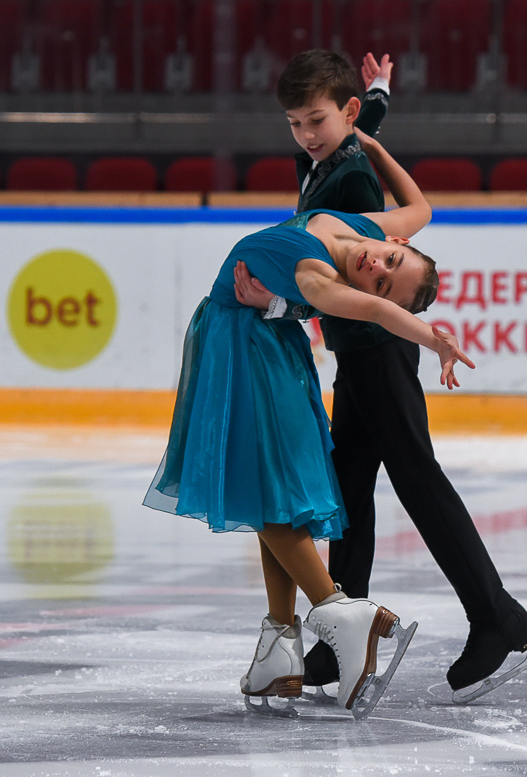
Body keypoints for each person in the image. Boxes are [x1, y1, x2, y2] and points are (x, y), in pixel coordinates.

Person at [233, 49, 527, 700]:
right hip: (358, 357)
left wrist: (283, 304)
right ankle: (345, 638)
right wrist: (376, 96)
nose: (306, 135)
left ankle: (498, 617)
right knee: (347, 494)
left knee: (418, 483)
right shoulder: (328, 155)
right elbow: (355, 131)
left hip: (380, 352)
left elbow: (355, 274)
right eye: (296, 123)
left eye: (315, 121)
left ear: (338, 116)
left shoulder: (349, 181)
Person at [144, 129, 475, 719]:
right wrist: (373, 148)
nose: (376, 267)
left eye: (380, 278)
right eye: (391, 260)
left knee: (256, 492)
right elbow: (422, 208)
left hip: (240, 350)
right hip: (270, 348)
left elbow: (375, 307)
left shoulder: (321, 279)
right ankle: (280, 644)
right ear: (393, 241)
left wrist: (433, 338)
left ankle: (340, 610)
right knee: (276, 496)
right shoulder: (365, 230)